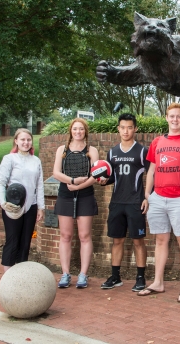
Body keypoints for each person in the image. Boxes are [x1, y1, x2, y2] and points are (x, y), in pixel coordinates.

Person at [137, 103, 180, 303]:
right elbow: (152, 171)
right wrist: (148, 195)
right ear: (166, 118)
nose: (175, 119)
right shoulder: (157, 142)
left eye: (178, 116)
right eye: (171, 116)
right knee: (161, 241)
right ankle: (158, 282)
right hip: (158, 198)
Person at [97, 113, 149, 292]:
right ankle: (115, 276)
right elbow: (111, 176)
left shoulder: (142, 151)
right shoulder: (112, 152)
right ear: (118, 129)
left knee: (138, 241)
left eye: (129, 127)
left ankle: (141, 277)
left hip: (135, 203)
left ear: (135, 129)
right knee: (117, 241)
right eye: (122, 127)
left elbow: (151, 175)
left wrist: (147, 197)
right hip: (117, 202)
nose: (126, 131)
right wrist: (104, 180)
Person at [53, 118, 99, 288]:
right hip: (65, 195)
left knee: (84, 236)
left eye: (81, 129)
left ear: (85, 131)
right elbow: (56, 173)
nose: (78, 132)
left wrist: (79, 185)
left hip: (85, 195)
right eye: (75, 129)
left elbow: (96, 175)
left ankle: (83, 275)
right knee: (65, 236)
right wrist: (72, 181)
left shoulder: (91, 150)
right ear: (70, 131)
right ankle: (65, 274)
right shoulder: (62, 150)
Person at [0, 128, 45, 272]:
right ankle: (8, 277)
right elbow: (0, 182)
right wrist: (4, 203)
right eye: (22, 139)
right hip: (13, 207)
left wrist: (41, 207)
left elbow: (39, 185)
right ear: (16, 141)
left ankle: (20, 275)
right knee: (12, 240)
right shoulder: (9, 159)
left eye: (28, 139)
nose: (26, 142)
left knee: (25, 242)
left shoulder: (36, 161)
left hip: (31, 206)